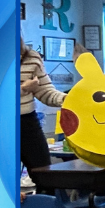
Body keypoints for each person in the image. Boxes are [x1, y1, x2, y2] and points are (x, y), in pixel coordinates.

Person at [19, 38, 66, 174]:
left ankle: (46, 196)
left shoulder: (31, 57)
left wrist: (66, 99)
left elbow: (44, 91)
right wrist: (23, 89)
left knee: (43, 173)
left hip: (26, 121)